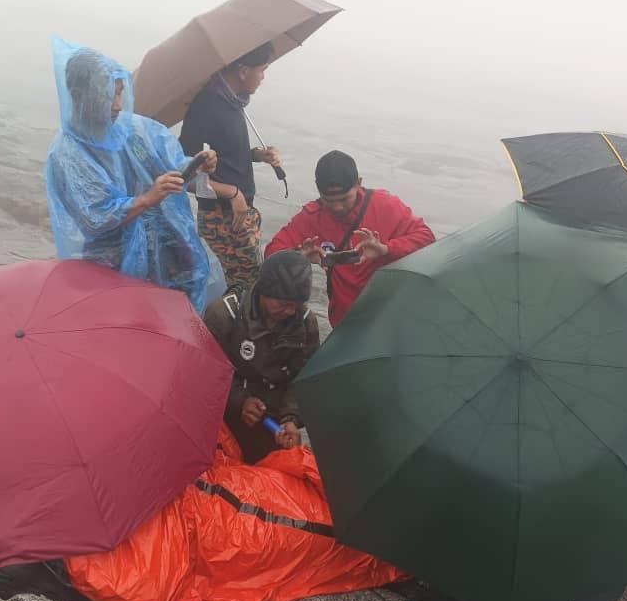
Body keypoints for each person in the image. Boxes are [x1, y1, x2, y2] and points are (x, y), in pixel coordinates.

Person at [45, 37, 220, 314]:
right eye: (108, 96)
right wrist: (148, 198)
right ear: (80, 94)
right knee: (121, 318)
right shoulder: (68, 154)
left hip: (165, 245)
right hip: (109, 262)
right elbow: (96, 218)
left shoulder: (135, 131)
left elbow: (170, 167)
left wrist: (196, 165)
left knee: (174, 315)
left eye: (119, 94)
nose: (117, 105)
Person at [264, 150, 436, 327]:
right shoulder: (313, 216)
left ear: (359, 183)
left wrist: (385, 249)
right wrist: (299, 257)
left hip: (388, 314)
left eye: (345, 199)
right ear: (318, 190)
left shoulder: (384, 205)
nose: (337, 207)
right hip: (344, 321)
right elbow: (272, 253)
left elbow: (427, 238)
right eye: (328, 200)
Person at [180, 42, 282, 296]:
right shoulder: (208, 105)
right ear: (243, 71)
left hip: (239, 213)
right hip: (222, 217)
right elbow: (182, 172)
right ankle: (228, 332)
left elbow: (226, 156)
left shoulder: (233, 102)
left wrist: (258, 156)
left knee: (248, 282)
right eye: (262, 69)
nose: (263, 77)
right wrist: (231, 192)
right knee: (244, 289)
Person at [204, 251, 320, 464]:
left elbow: (304, 378)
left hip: (272, 418)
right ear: (263, 291)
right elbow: (207, 374)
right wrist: (240, 401)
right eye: (283, 303)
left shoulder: (305, 323)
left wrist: (291, 419)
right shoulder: (223, 315)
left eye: (295, 304)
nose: (289, 311)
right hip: (225, 413)